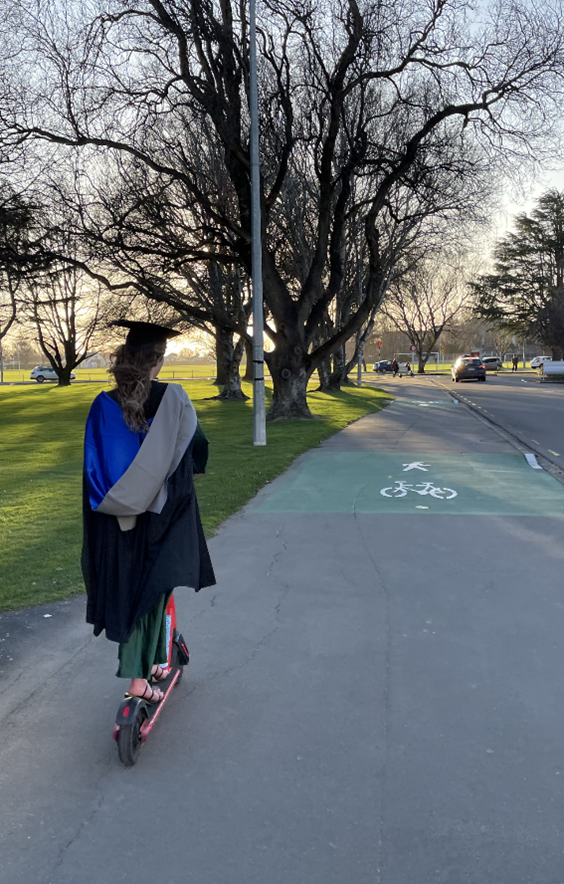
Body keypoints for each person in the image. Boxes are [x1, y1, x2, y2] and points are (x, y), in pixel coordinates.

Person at [82, 320, 215, 704]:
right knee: (152, 591)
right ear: (156, 362)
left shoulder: (102, 405)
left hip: (115, 516)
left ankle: (155, 660)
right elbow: (198, 445)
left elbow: (94, 463)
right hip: (162, 514)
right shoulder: (174, 399)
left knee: (129, 587)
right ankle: (139, 682)